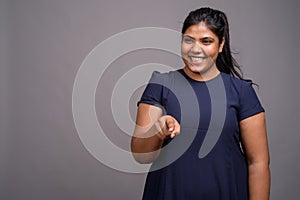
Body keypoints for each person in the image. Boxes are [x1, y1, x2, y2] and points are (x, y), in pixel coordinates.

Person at [131, 7, 270, 200]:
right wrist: (158, 132)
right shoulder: (161, 85)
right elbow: (140, 154)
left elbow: (258, 163)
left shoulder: (241, 92)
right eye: (189, 40)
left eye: (206, 41)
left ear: (221, 45)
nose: (195, 49)